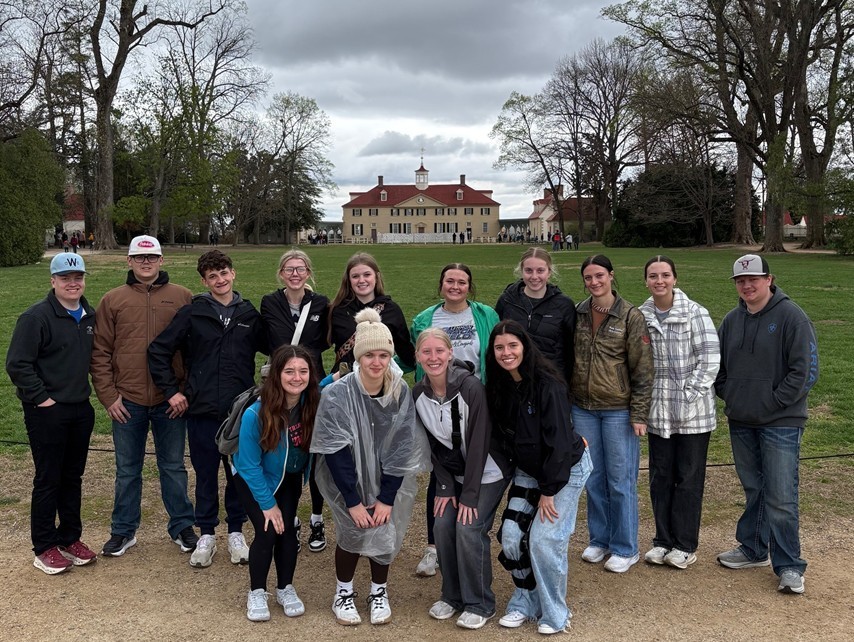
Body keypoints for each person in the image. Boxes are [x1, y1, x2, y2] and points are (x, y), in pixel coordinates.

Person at [148, 250, 267, 568]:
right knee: (205, 474)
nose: (220, 280)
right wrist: (171, 392)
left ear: (233, 273)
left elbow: (276, 347)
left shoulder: (248, 314)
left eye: (224, 273)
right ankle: (207, 534)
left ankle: (236, 532)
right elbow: (158, 350)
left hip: (239, 412)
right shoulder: (193, 313)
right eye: (212, 276)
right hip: (201, 410)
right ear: (204, 281)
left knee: (239, 474)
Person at [311, 308, 429, 626]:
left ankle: (379, 591)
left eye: (383, 355)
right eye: (369, 356)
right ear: (358, 358)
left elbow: (402, 449)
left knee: (382, 528)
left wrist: (387, 498)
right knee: (352, 529)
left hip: (387, 478)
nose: (376, 362)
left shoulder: (398, 392)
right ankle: (343, 592)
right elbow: (335, 450)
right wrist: (352, 500)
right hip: (345, 479)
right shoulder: (337, 394)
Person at [715, 254, 819, 595]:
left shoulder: (792, 317)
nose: (747, 285)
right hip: (742, 419)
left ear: (769, 280)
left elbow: (805, 372)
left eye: (754, 279)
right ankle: (753, 548)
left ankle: (790, 565)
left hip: (781, 422)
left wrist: (772, 402)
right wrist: (732, 395)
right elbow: (718, 368)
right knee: (754, 488)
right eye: (741, 281)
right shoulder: (732, 320)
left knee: (781, 496)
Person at [91, 235, 198, 558]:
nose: (146, 262)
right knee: (127, 470)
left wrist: (183, 391)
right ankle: (123, 530)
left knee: (173, 467)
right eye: (139, 257)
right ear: (129, 261)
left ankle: (182, 525)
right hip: (128, 400)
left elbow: (195, 350)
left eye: (151, 257)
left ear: (162, 260)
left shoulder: (182, 297)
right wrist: (109, 396)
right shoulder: (113, 300)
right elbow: (100, 352)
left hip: (170, 400)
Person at [485, 320, 591, 635]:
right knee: (511, 536)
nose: (506, 353)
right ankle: (526, 598)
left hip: (563, 470)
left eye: (512, 345)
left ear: (525, 347)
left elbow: (558, 443)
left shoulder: (549, 385)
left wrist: (548, 491)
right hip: (529, 470)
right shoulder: (499, 385)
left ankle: (556, 612)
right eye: (499, 347)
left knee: (544, 540)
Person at [413, 329, 512, 629]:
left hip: (488, 471)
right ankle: (452, 595)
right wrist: (444, 486)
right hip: (454, 474)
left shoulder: (471, 388)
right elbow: (432, 446)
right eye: (426, 352)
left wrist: (469, 494)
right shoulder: (418, 394)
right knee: (442, 524)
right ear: (417, 357)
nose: (433, 358)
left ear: (450, 353)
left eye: (439, 351)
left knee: (469, 527)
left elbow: (479, 444)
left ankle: (480, 602)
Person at [6, 253, 97, 575]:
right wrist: (43, 400)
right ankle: (44, 546)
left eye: (78, 277)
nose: (73, 284)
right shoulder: (36, 317)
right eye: (65, 278)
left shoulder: (89, 315)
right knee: (48, 478)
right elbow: (17, 364)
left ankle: (69, 537)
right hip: (46, 410)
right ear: (53, 281)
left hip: (80, 408)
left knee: (73, 477)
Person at [410, 263, 499, 575]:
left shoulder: (485, 315)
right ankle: (434, 547)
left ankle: (470, 528)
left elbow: (494, 353)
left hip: (474, 399)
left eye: (462, 282)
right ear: (441, 284)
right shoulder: (425, 318)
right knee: (442, 470)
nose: (455, 286)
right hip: (437, 398)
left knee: (476, 458)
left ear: (469, 287)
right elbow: (414, 353)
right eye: (450, 281)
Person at [571, 254, 653, 574]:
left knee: (620, 480)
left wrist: (639, 413)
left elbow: (643, 369)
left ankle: (625, 546)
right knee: (593, 478)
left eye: (599, 276)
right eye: (588, 277)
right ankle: (600, 539)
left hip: (618, 409)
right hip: (583, 408)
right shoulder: (578, 312)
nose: (594, 282)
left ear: (611, 275)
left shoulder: (630, 315)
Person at [639, 256, 720, 569]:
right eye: (653, 276)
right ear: (646, 281)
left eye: (665, 275)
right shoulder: (642, 315)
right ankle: (662, 540)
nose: (659, 281)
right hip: (658, 413)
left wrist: (689, 396)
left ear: (674, 278)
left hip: (693, 414)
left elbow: (710, 359)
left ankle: (684, 544)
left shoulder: (695, 313)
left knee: (688, 478)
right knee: (660, 477)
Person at [232, 345, 319, 621]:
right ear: (276, 374)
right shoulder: (255, 413)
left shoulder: (311, 402)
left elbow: (333, 383)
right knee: (268, 529)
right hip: (254, 478)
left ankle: (285, 588)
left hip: (289, 476)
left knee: (287, 530)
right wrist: (268, 504)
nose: (297, 377)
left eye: (303, 371)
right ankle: (257, 591)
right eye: (289, 371)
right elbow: (248, 465)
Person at [261, 249, 330, 553]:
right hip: (281, 384)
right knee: (284, 449)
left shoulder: (321, 303)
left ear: (308, 272)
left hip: (312, 384)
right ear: (281, 273)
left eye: (300, 269)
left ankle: (316, 517)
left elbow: (325, 340)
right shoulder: (270, 302)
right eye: (289, 269)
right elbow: (270, 339)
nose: (295, 274)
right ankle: (290, 516)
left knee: (313, 451)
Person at [495, 248, 576, 384]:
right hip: (513, 382)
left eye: (540, 271)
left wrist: (562, 384)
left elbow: (569, 351)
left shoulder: (564, 305)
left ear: (549, 272)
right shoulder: (507, 301)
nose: (534, 276)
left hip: (551, 382)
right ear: (521, 271)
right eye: (528, 270)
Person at [328, 252, 415, 375]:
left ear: (376, 276)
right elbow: (315, 344)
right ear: (349, 280)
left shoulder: (391, 310)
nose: (361, 280)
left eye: (367, 274)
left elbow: (405, 351)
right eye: (355, 276)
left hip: (379, 379)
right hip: (344, 379)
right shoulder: (337, 310)